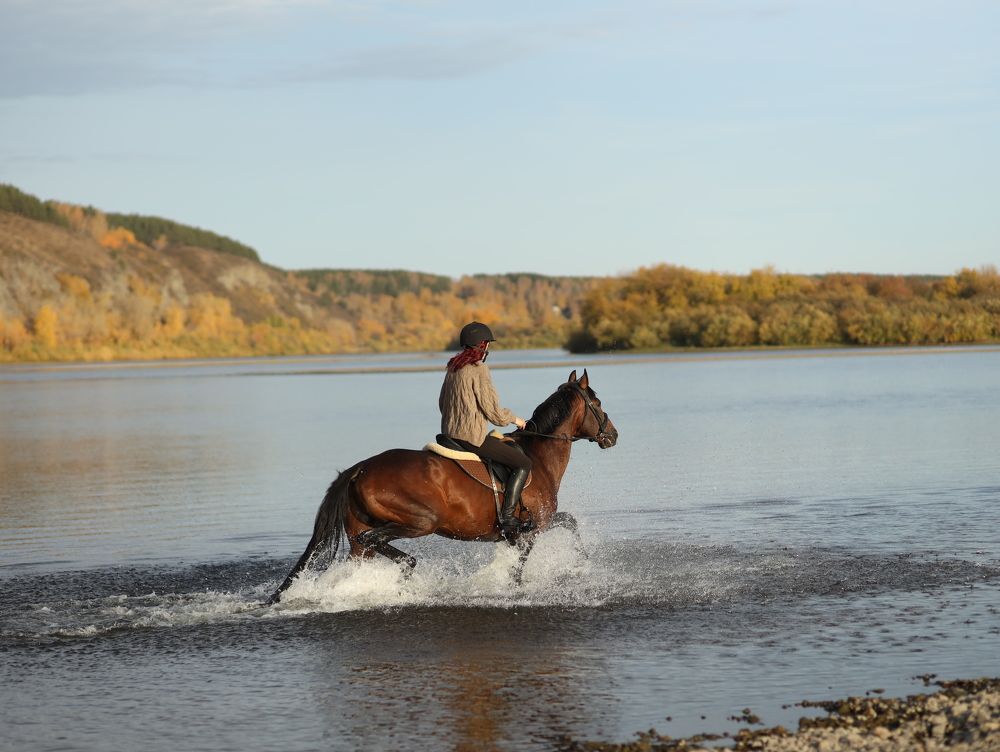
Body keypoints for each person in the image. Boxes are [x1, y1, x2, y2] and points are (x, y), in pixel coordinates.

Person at [439, 321, 534, 541]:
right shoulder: (479, 370)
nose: (488, 348)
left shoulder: (453, 367)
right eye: (487, 344)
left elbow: (442, 403)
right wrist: (515, 419)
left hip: (449, 435)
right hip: (472, 438)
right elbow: (492, 411)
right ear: (482, 345)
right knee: (524, 463)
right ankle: (509, 516)